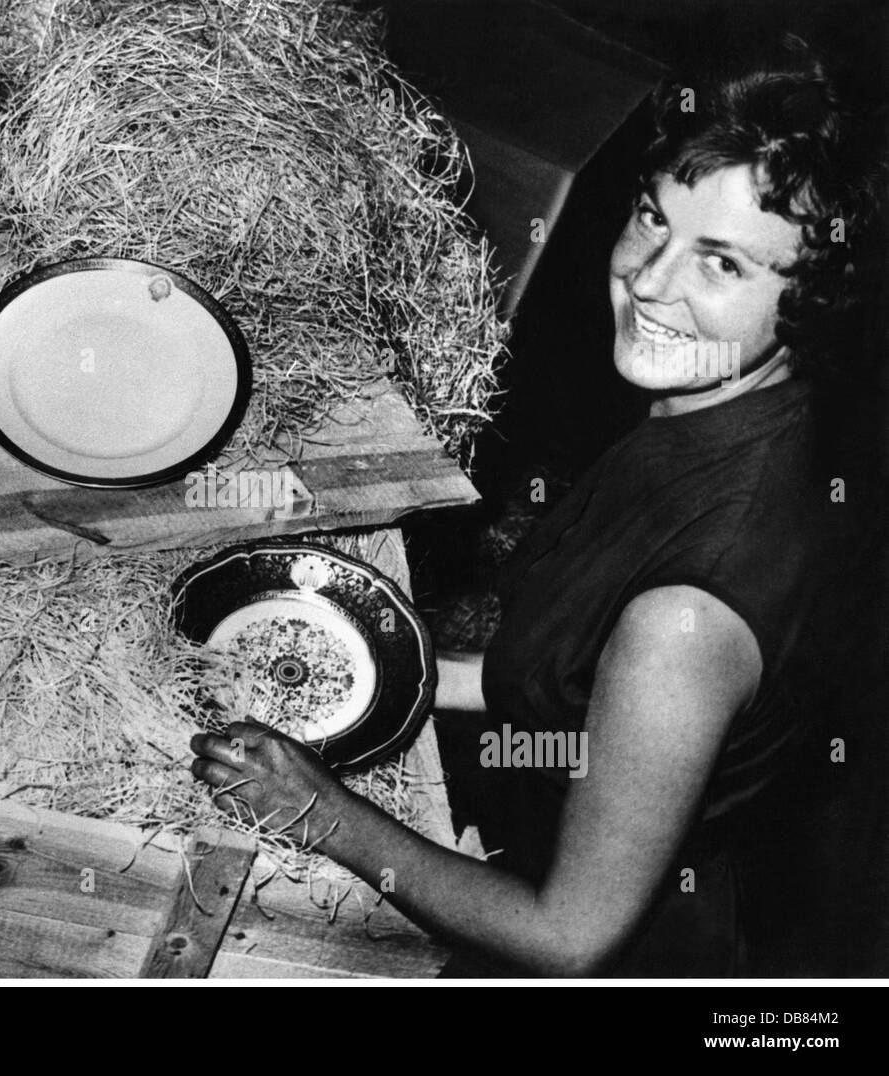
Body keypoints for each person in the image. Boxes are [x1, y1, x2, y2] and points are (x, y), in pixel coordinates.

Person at [188, 35, 886, 976]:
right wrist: (388, 665)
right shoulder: (720, 399)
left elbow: (570, 937)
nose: (647, 280)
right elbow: (567, 684)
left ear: (818, 294)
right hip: (567, 774)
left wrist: (316, 812)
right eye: (652, 218)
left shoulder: (687, 617)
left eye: (722, 264)